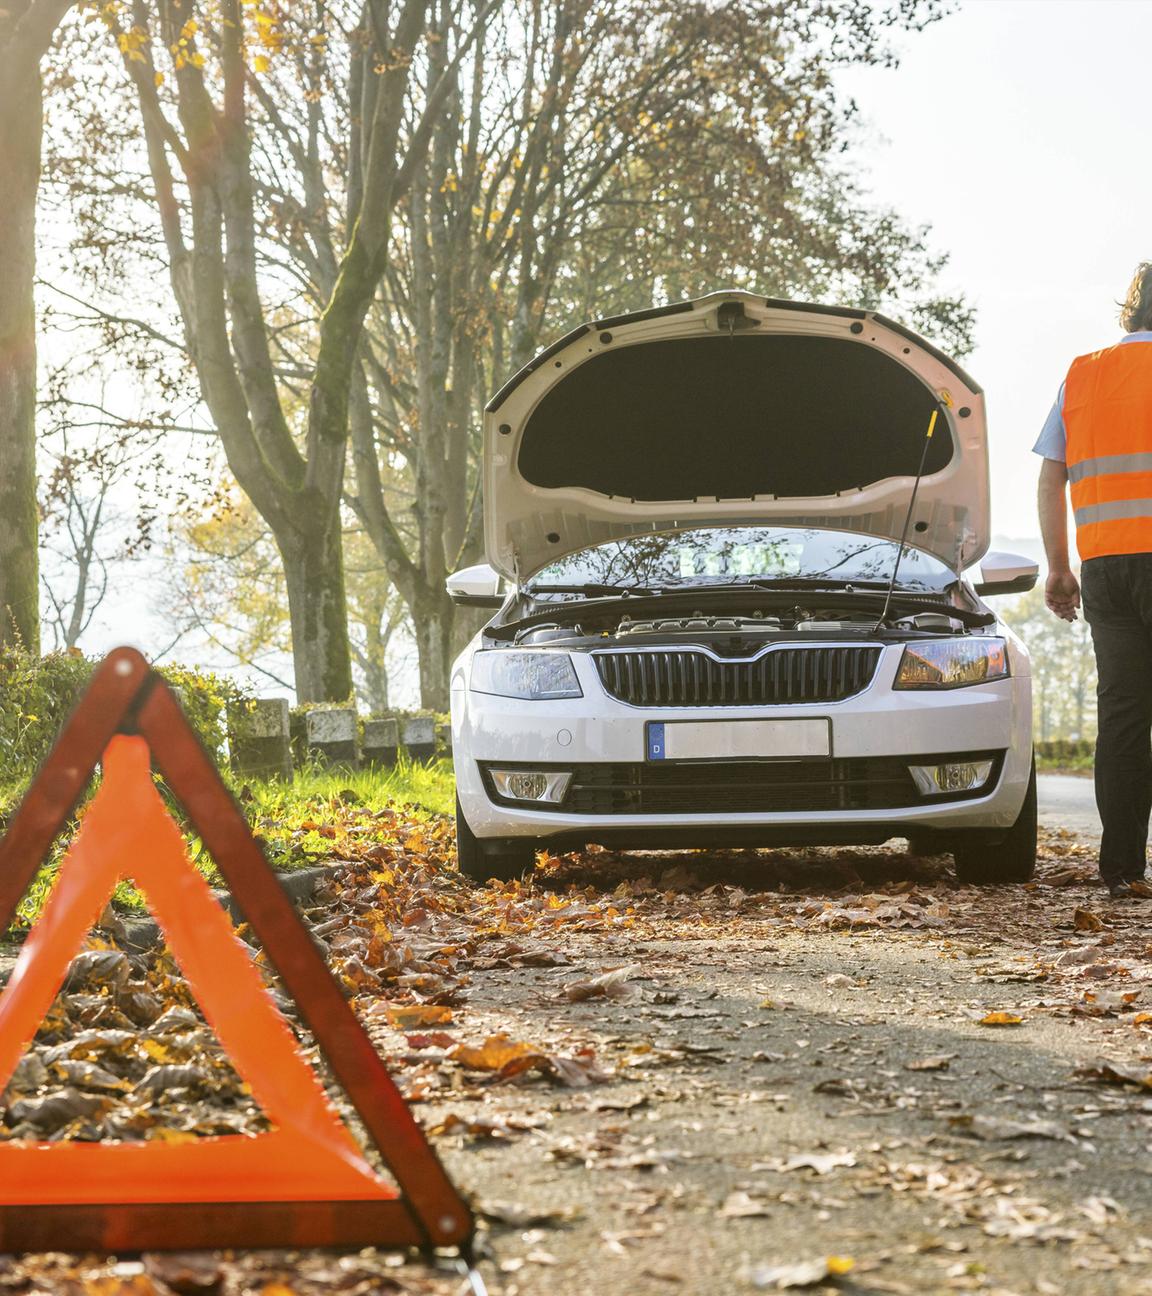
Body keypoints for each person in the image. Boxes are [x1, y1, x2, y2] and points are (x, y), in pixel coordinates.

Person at [1035, 262, 1152, 899]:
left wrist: (1059, 566)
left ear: (1130, 309)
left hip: (1105, 567)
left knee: (1125, 720)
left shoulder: (1082, 374)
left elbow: (1052, 478)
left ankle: (1123, 870)